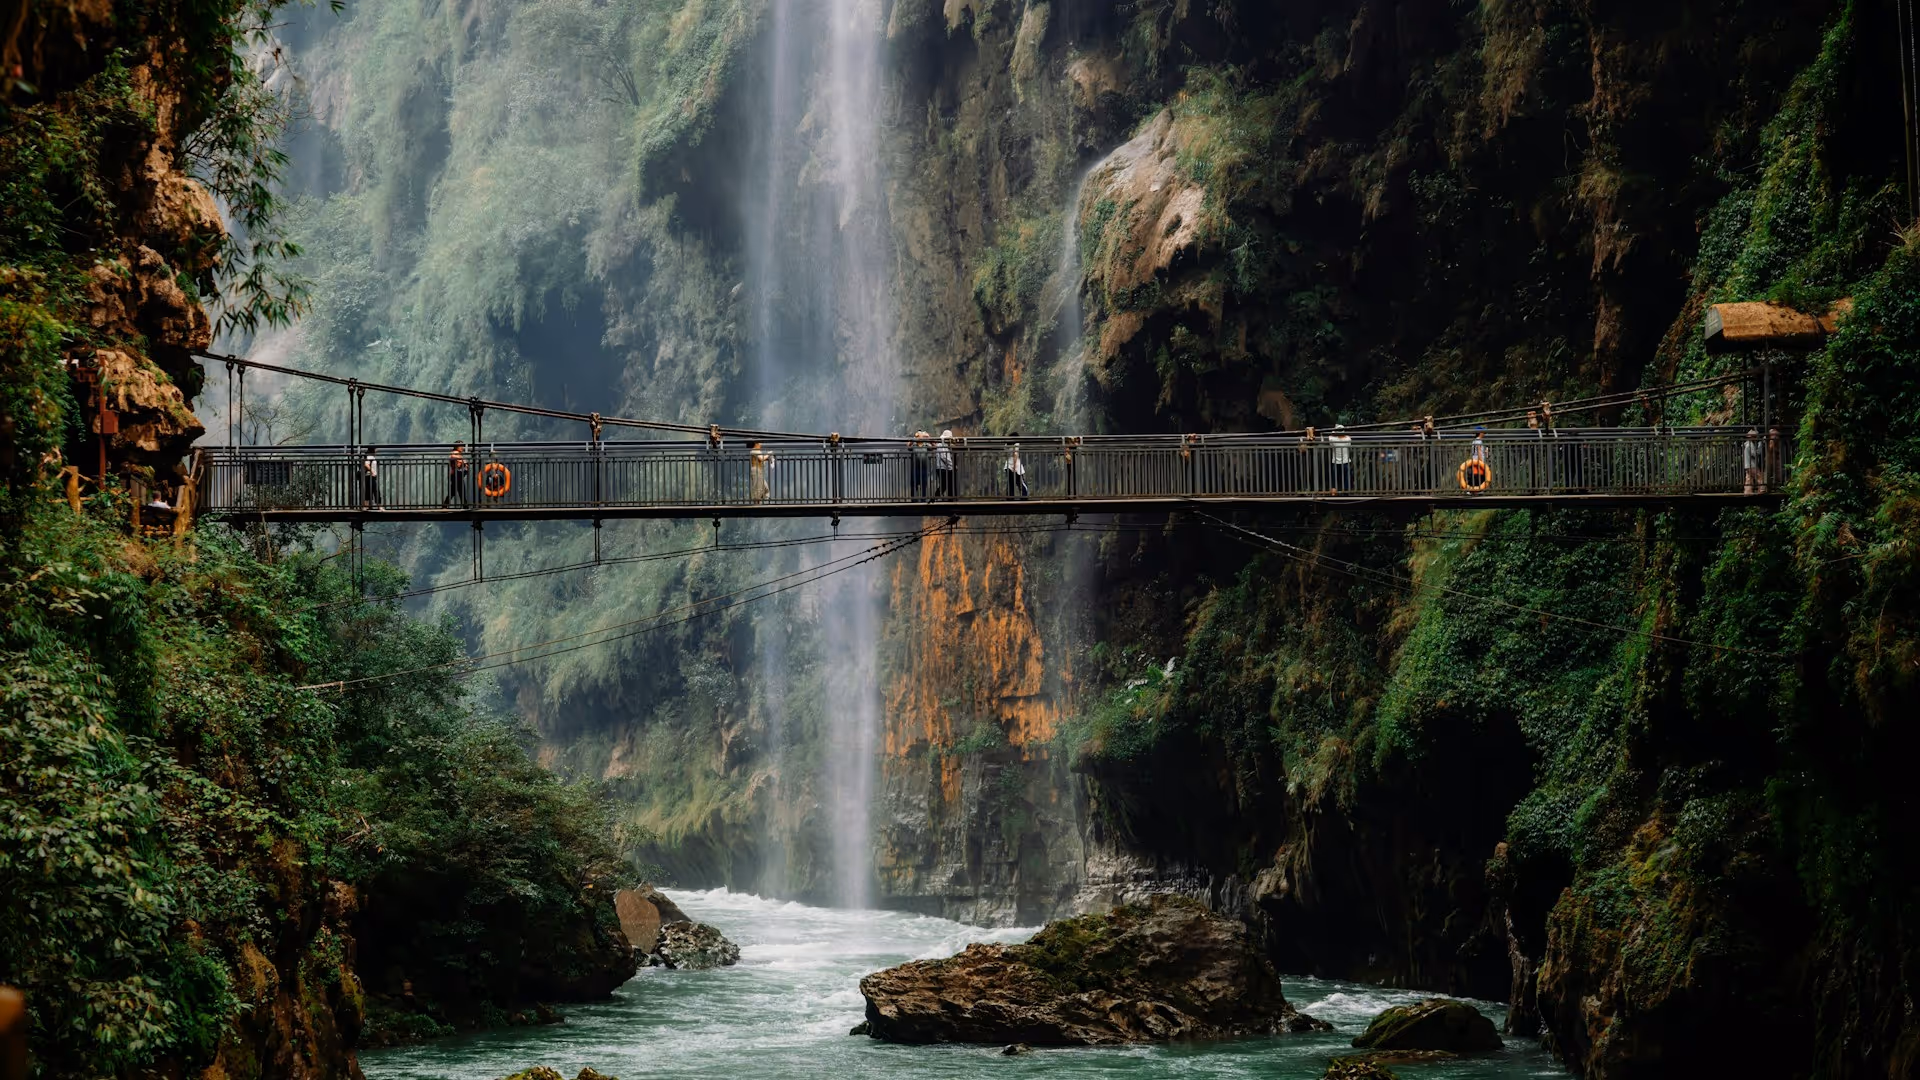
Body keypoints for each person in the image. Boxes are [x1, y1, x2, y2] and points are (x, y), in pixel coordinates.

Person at [442, 441, 468, 507]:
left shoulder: (459, 454)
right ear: (456, 447)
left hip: (457, 474)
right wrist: (463, 461)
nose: (462, 447)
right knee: (461, 490)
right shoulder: (455, 453)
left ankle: (445, 505)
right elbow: (452, 456)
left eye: (463, 446)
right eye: (461, 446)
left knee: (453, 491)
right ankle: (465, 505)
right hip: (456, 474)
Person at [1329, 423, 1353, 494]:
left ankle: (1334, 491)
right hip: (1346, 461)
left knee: (1334, 478)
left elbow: (1331, 435)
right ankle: (1346, 491)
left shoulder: (1332, 439)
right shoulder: (1348, 439)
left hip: (1336, 462)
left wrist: (1333, 431)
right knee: (1347, 477)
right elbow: (1349, 445)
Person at [1004, 432, 1029, 498]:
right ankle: (1024, 497)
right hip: (1016, 466)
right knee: (1021, 483)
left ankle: (1010, 498)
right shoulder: (1016, 444)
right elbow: (1016, 454)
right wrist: (1014, 467)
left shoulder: (1006, 445)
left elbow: (1005, 455)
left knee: (1010, 484)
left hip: (1008, 465)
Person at [934, 429, 956, 499]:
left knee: (948, 484)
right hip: (942, 468)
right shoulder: (942, 445)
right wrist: (951, 465)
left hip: (945, 468)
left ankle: (950, 499)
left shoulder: (945, 445)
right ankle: (934, 499)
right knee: (944, 485)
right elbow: (944, 457)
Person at [910, 430, 931, 501]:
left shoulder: (926, 445)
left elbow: (935, 446)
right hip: (915, 468)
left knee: (923, 484)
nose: (920, 436)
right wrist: (914, 437)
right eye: (919, 435)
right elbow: (908, 446)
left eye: (921, 435)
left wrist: (928, 437)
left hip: (924, 467)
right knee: (914, 484)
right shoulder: (914, 444)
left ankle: (923, 499)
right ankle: (914, 499)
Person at [1743, 428, 1764, 493]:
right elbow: (1754, 454)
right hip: (1752, 465)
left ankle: (1747, 491)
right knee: (1759, 476)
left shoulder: (1747, 444)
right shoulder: (1750, 444)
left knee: (1749, 478)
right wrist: (1760, 447)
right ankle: (1761, 490)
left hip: (1747, 465)